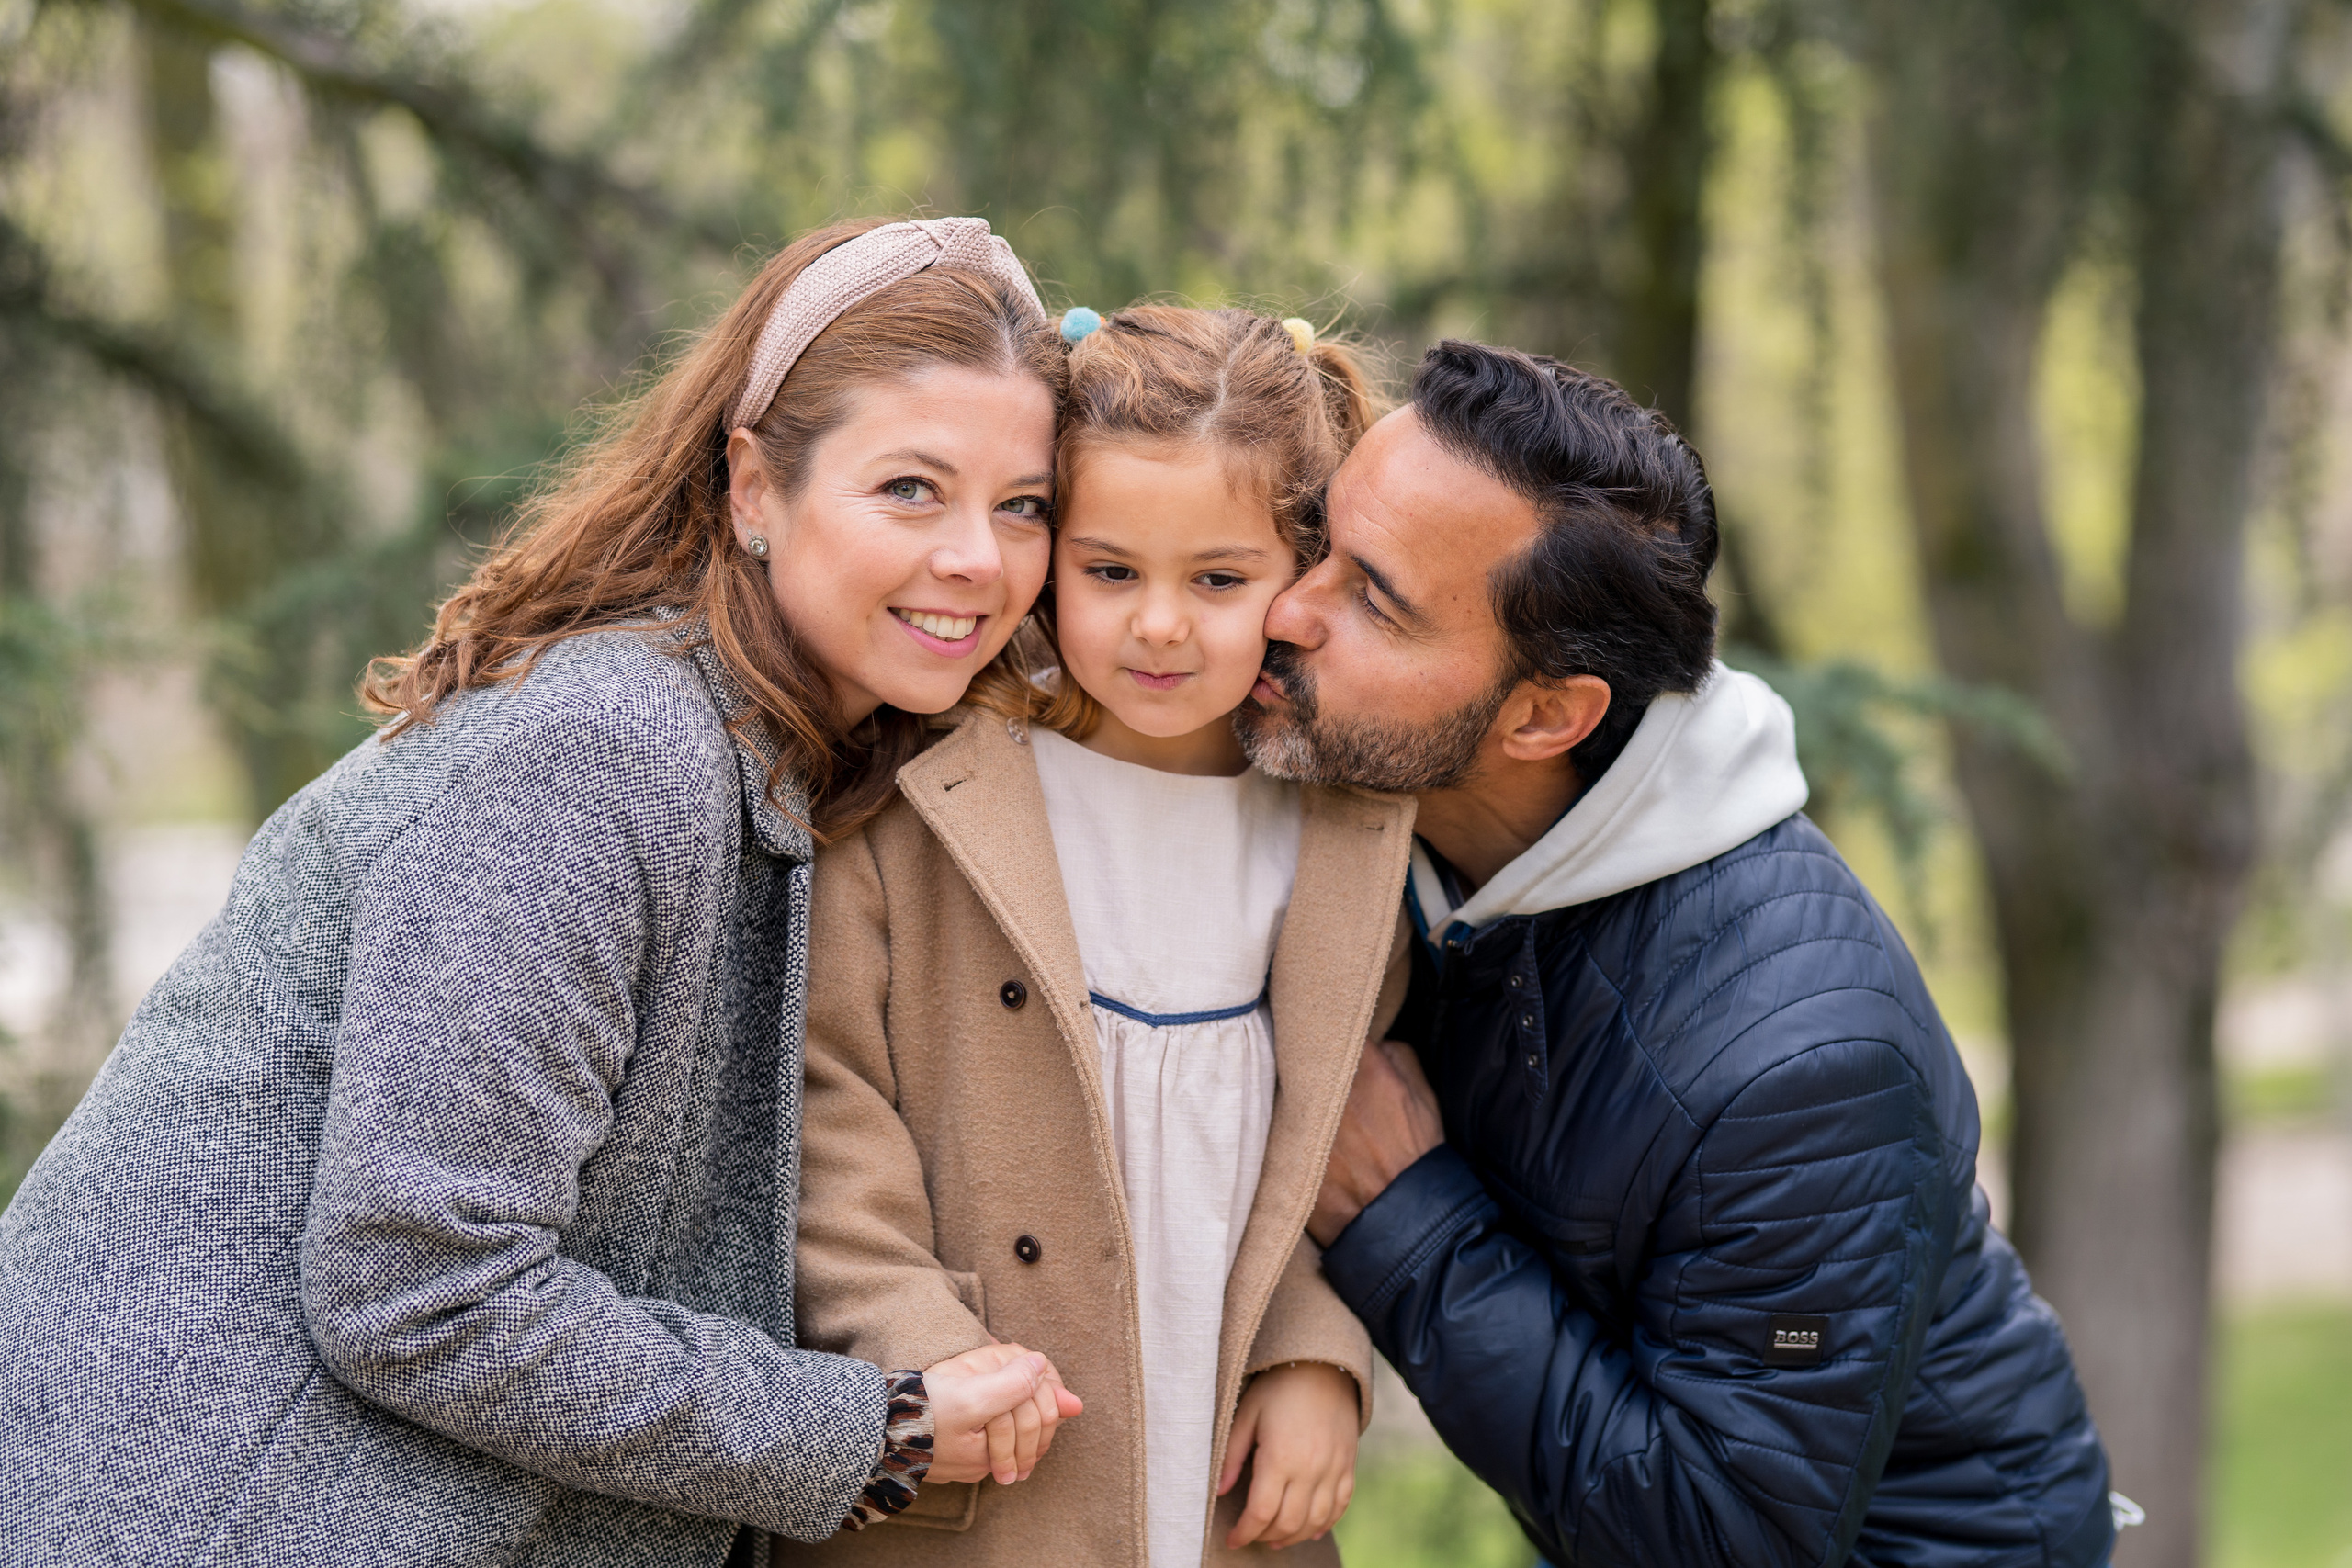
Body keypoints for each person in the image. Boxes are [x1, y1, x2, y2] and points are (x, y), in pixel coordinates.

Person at [0, 216, 1087, 1568]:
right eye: (912, 489)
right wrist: (865, 1431)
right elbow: (420, 1285)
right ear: (755, 487)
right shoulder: (605, 748)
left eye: (1022, 505)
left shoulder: (792, 761)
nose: (979, 557)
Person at [1235, 340, 2118, 1568]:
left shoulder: (1803, 1071)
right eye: (1317, 543)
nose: (1284, 609)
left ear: (1547, 715)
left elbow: (1724, 1535)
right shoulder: (1394, 824)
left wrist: (1406, 1220)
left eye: (1375, 600)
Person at [784, 305, 1402, 1568]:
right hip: (980, 1470)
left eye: (1218, 581)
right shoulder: (924, 789)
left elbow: (1327, 1145)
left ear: (1302, 574)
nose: (1159, 625)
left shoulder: (1347, 832)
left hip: (1222, 1485)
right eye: (1111, 572)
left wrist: (1317, 1350)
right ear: (1048, 554)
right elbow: (823, 1099)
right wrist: (918, 1343)